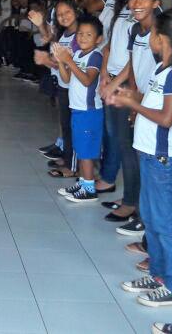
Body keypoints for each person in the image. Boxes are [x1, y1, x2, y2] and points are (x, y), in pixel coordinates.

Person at [111, 8, 172, 309]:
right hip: (150, 153)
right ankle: (158, 275)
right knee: (151, 219)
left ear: (162, 39)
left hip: (163, 157)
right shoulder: (164, 69)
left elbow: (166, 118)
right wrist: (130, 97)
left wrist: (132, 106)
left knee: (165, 223)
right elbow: (153, 102)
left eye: (153, 33)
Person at [98, 0, 157, 228]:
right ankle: (129, 200)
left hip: (136, 91)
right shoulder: (126, 9)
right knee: (122, 143)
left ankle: (135, 206)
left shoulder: (154, 17)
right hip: (119, 82)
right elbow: (113, 45)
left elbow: (141, 63)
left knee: (131, 147)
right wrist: (105, 77)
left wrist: (129, 91)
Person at [52, 16, 105, 203]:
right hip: (77, 109)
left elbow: (87, 80)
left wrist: (70, 61)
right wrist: (61, 61)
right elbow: (66, 79)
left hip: (89, 112)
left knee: (86, 151)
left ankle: (89, 188)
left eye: (88, 34)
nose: (82, 37)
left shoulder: (95, 55)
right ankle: (83, 182)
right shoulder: (78, 54)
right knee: (80, 148)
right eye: (80, 34)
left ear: (98, 39)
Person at [35, 0, 81, 177]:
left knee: (73, 127)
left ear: (76, 11)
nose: (63, 17)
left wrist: (48, 61)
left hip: (74, 89)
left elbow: (70, 65)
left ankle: (73, 167)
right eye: (60, 14)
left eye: (67, 12)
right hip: (64, 86)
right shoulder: (65, 34)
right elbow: (59, 57)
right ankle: (68, 159)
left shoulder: (80, 35)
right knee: (66, 125)